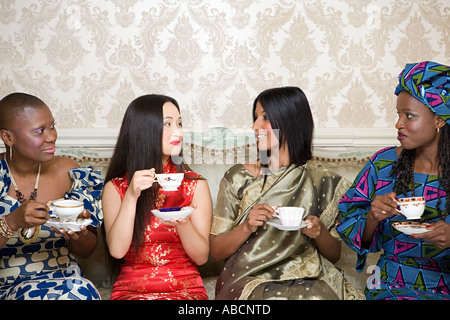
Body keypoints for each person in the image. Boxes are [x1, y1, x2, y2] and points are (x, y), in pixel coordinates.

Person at [209, 86, 363, 300]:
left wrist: (320, 233)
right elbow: (216, 251)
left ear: (291, 121)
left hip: (307, 275)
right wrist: (247, 226)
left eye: (265, 118)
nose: (255, 126)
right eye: (255, 118)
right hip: (248, 277)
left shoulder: (320, 179)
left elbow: (334, 255)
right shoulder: (239, 177)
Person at [337, 61, 450, 300]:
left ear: (439, 120)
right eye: (399, 115)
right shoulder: (383, 163)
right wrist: (371, 217)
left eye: (409, 116)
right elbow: (352, 225)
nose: (398, 124)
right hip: (389, 285)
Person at [102, 94, 213, 300]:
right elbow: (117, 251)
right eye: (168, 124)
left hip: (185, 290)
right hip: (131, 291)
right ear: (144, 131)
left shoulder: (195, 185)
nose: (178, 131)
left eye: (179, 123)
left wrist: (183, 223)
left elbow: (201, 256)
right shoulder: (116, 187)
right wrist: (131, 196)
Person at [0, 92, 103, 300]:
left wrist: (78, 232)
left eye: (52, 126)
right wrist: (11, 222)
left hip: (66, 283)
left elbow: (86, 251)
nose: (52, 136)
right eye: (39, 131)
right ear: (8, 137)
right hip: (7, 287)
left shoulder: (67, 172)